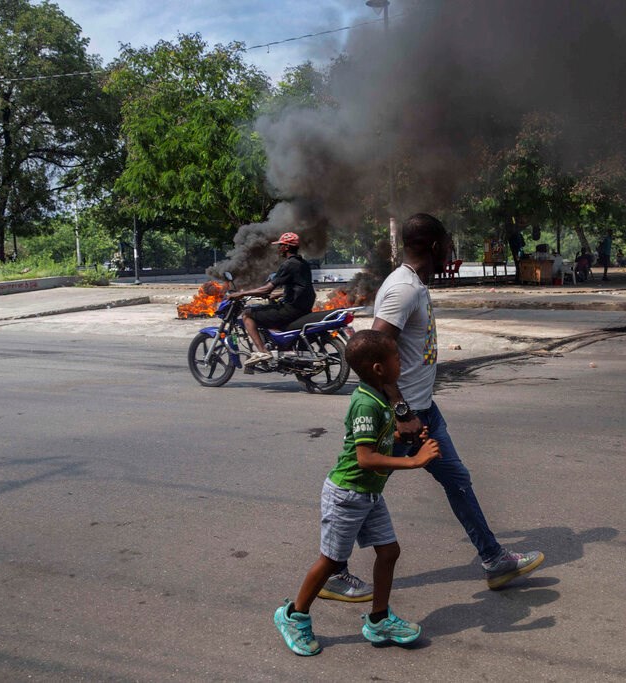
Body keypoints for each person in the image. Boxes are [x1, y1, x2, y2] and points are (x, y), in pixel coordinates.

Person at [321, 213, 544, 601]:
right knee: (360, 490)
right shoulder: (402, 290)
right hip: (404, 416)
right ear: (438, 246)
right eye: (449, 244)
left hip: (425, 410)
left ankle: (494, 559)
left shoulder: (416, 285)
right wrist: (402, 413)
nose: (452, 251)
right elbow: (372, 354)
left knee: (457, 480)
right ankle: (332, 571)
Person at [273, 329, 441, 656]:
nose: (401, 361)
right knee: (331, 561)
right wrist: (417, 462)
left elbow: (379, 443)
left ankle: (378, 620)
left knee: (389, 552)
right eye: (396, 357)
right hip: (347, 494)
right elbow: (365, 458)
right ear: (379, 368)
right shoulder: (366, 403)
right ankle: (294, 615)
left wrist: (408, 441)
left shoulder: (380, 397)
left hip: (368, 494)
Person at [225, 232, 316, 366]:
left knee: (247, 315)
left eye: (280, 246)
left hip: (292, 309)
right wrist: (280, 295)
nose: (278, 248)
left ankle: (263, 352)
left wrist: (241, 294)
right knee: (270, 310)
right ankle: (281, 348)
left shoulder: (288, 265)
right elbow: (300, 286)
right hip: (304, 307)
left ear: (286, 247)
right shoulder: (303, 264)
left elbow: (267, 289)